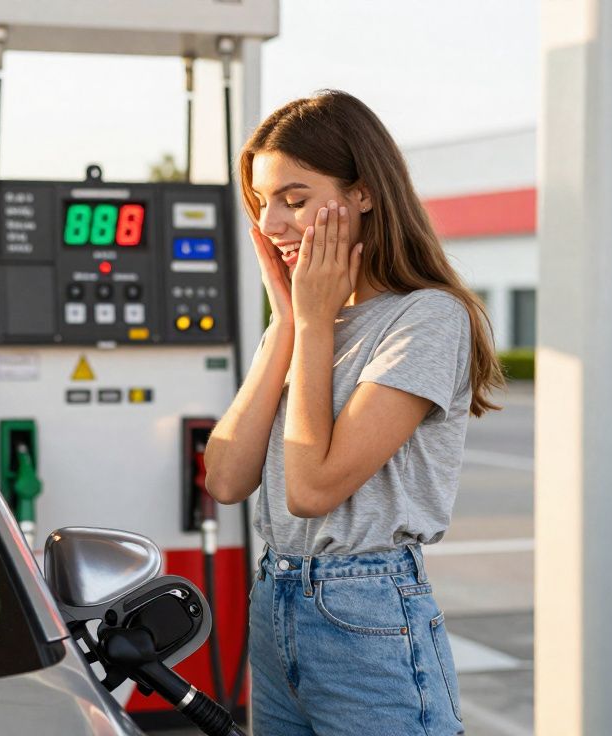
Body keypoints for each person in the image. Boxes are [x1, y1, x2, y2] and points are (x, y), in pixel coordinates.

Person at [203, 90, 505, 736]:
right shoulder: (301, 323)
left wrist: (313, 324)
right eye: (262, 202)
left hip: (365, 610)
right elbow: (225, 479)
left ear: (363, 193)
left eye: (295, 199)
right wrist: (287, 324)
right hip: (275, 599)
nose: (272, 223)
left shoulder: (426, 318)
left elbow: (312, 489)